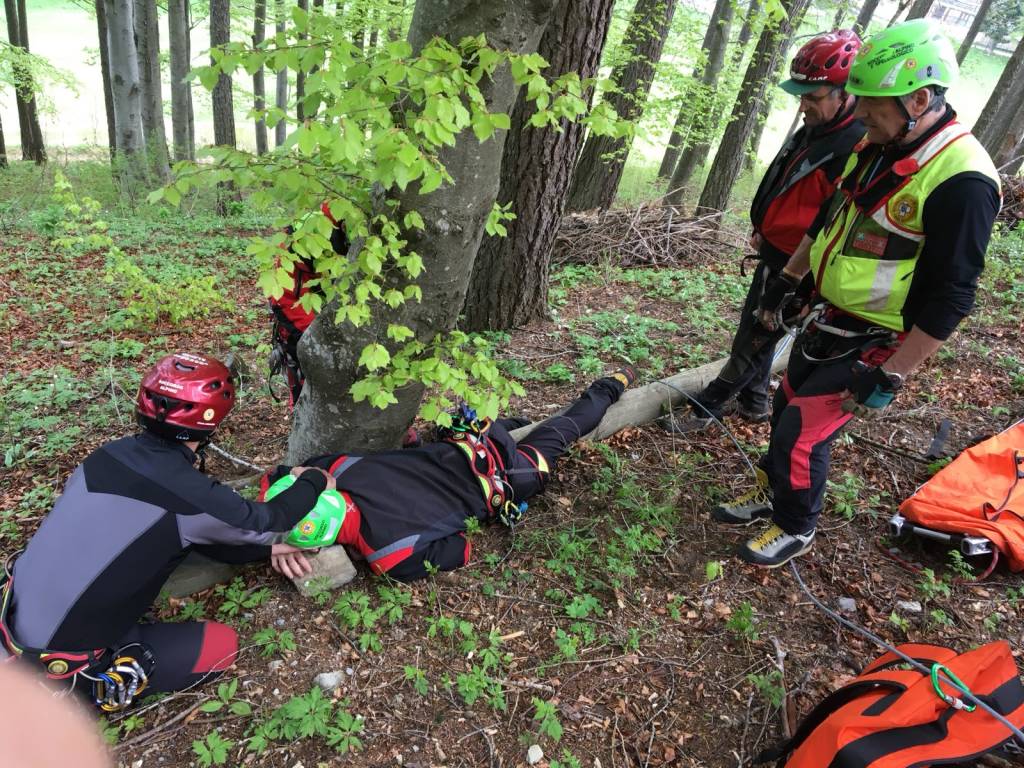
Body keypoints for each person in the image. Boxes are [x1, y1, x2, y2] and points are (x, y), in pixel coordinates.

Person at [716, 19, 1001, 568]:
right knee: (782, 406)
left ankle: (797, 525)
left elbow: (952, 296)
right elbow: (832, 219)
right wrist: (790, 281)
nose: (861, 112)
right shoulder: (878, 143)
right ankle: (774, 493)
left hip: (878, 337)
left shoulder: (963, 182)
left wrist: (892, 373)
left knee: (801, 433)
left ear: (919, 99)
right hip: (830, 316)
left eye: (873, 103)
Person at [0, 353, 330, 711]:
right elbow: (273, 519)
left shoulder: (106, 456)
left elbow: (195, 531)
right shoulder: (190, 497)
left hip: (12, 617)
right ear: (212, 420)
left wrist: (265, 551)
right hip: (57, 665)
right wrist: (313, 479)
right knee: (220, 646)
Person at [664, 29, 864, 433]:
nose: (803, 104)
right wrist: (762, 224)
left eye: (813, 96)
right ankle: (755, 402)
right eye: (801, 95)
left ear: (847, 93)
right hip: (776, 248)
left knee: (756, 334)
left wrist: (796, 267)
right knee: (758, 329)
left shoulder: (854, 144)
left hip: (798, 264)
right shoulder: (817, 127)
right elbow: (785, 178)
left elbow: (833, 219)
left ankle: (708, 408)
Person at [263, 368, 636, 582]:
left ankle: (605, 391)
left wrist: (289, 539)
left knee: (562, 432)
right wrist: (277, 530)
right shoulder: (338, 468)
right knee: (534, 430)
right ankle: (611, 383)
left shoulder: (389, 556)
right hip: (467, 440)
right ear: (321, 487)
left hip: (504, 480)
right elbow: (277, 477)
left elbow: (460, 548)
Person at [268, 202, 350, 406]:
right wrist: (314, 335)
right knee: (305, 375)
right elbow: (282, 300)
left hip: (334, 311)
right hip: (300, 318)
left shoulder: (350, 222)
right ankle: (302, 418)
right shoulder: (296, 244)